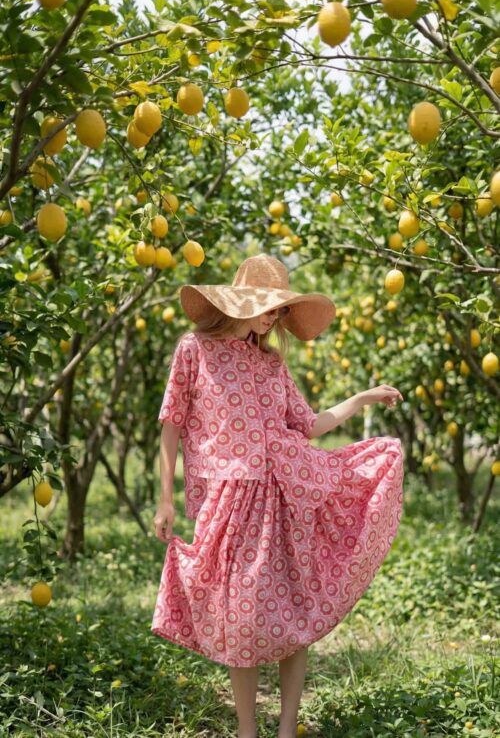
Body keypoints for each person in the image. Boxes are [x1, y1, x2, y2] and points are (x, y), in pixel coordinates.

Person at [151, 253, 404, 738]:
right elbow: (171, 424)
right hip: (223, 497)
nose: (273, 317)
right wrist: (166, 497)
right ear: (241, 302)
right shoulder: (194, 350)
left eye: (280, 310)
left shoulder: (270, 363)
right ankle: (248, 729)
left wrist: (363, 397)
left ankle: (286, 728)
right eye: (268, 306)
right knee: (238, 617)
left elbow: (310, 424)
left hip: (283, 491)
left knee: (294, 604)